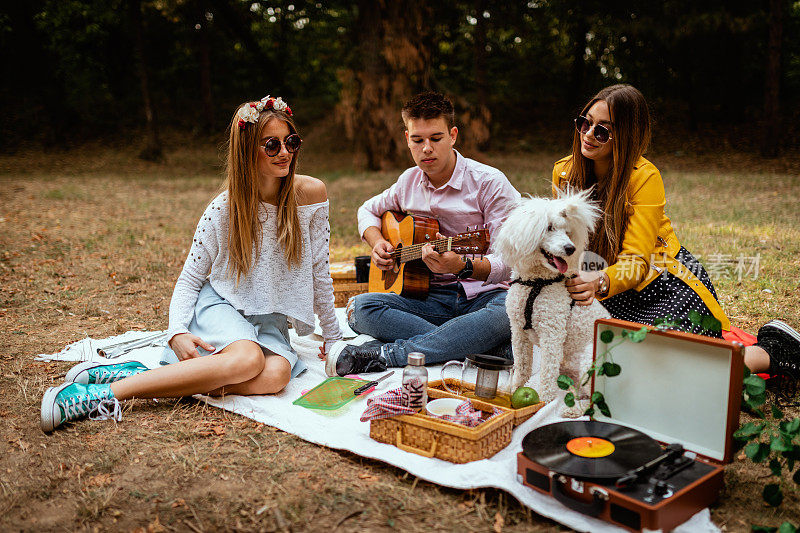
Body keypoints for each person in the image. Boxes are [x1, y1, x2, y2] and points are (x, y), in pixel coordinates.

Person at [41, 95, 342, 432]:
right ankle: (98, 395)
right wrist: (177, 332)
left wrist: (332, 338)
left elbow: (319, 271)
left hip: (269, 317)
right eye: (271, 145)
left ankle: (149, 377)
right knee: (248, 359)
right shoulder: (224, 209)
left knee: (276, 375)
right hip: (220, 304)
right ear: (247, 150)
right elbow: (190, 279)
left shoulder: (311, 196)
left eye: (291, 142)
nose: (285, 152)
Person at [556, 83, 799, 379]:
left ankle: (770, 352)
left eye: (602, 130)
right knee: (606, 367)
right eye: (585, 123)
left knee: (677, 370)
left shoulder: (644, 178)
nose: (588, 135)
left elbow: (636, 262)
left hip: (660, 283)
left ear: (625, 137)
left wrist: (599, 283)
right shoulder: (565, 171)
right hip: (601, 284)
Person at [324, 91, 520, 377]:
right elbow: (367, 210)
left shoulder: (489, 183)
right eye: (418, 140)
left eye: (436, 138)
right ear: (407, 139)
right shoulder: (408, 182)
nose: (427, 148)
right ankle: (480, 347)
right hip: (430, 297)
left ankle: (387, 354)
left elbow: (510, 261)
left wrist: (464, 266)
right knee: (359, 308)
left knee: (510, 312)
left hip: (485, 298)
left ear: (453, 135)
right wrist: (378, 242)